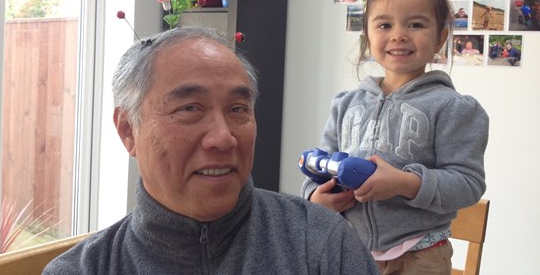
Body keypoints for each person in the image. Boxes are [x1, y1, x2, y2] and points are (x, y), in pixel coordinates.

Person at [44, 27, 379, 274]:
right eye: (190, 108)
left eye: (237, 109)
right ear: (128, 130)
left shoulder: (319, 244)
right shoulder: (83, 269)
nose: (223, 138)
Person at [302, 0, 488, 274]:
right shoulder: (346, 103)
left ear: (440, 37)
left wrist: (406, 183)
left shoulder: (455, 108)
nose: (399, 34)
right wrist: (313, 195)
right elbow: (319, 166)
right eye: (385, 25)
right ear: (368, 34)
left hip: (420, 254)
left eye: (415, 24)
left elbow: (468, 184)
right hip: (349, 250)